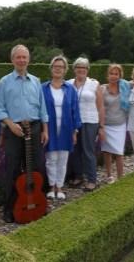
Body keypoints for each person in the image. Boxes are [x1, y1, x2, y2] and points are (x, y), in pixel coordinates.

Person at [0, 44, 48, 223]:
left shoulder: (35, 81)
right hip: (13, 130)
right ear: (12, 60)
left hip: (33, 128)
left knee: (37, 168)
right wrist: (10, 124)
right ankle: (9, 208)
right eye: (18, 57)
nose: (21, 60)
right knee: (13, 169)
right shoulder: (4, 82)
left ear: (28, 59)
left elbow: (43, 109)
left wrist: (44, 129)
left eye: (24, 57)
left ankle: (39, 204)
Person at [42, 55, 81, 200]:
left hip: (66, 128)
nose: (58, 69)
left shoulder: (70, 89)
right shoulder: (43, 88)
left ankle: (60, 187)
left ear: (65, 70)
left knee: (63, 159)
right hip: (49, 128)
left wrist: (75, 131)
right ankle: (51, 186)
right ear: (51, 69)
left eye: (61, 67)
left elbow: (75, 111)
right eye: (55, 66)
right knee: (51, 159)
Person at [67, 57, 105, 191]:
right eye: (78, 67)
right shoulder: (68, 83)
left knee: (88, 151)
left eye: (84, 68)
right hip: (74, 122)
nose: (81, 70)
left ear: (88, 70)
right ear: (74, 69)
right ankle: (78, 176)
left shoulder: (94, 84)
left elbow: (100, 107)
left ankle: (92, 179)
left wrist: (101, 126)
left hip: (90, 121)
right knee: (75, 151)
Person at [101, 64, 130, 183]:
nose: (113, 76)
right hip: (106, 125)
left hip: (120, 124)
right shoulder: (102, 89)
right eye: (111, 73)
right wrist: (100, 126)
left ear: (120, 76)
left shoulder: (125, 86)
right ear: (108, 75)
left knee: (119, 152)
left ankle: (120, 178)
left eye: (116, 74)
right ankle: (109, 175)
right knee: (107, 151)